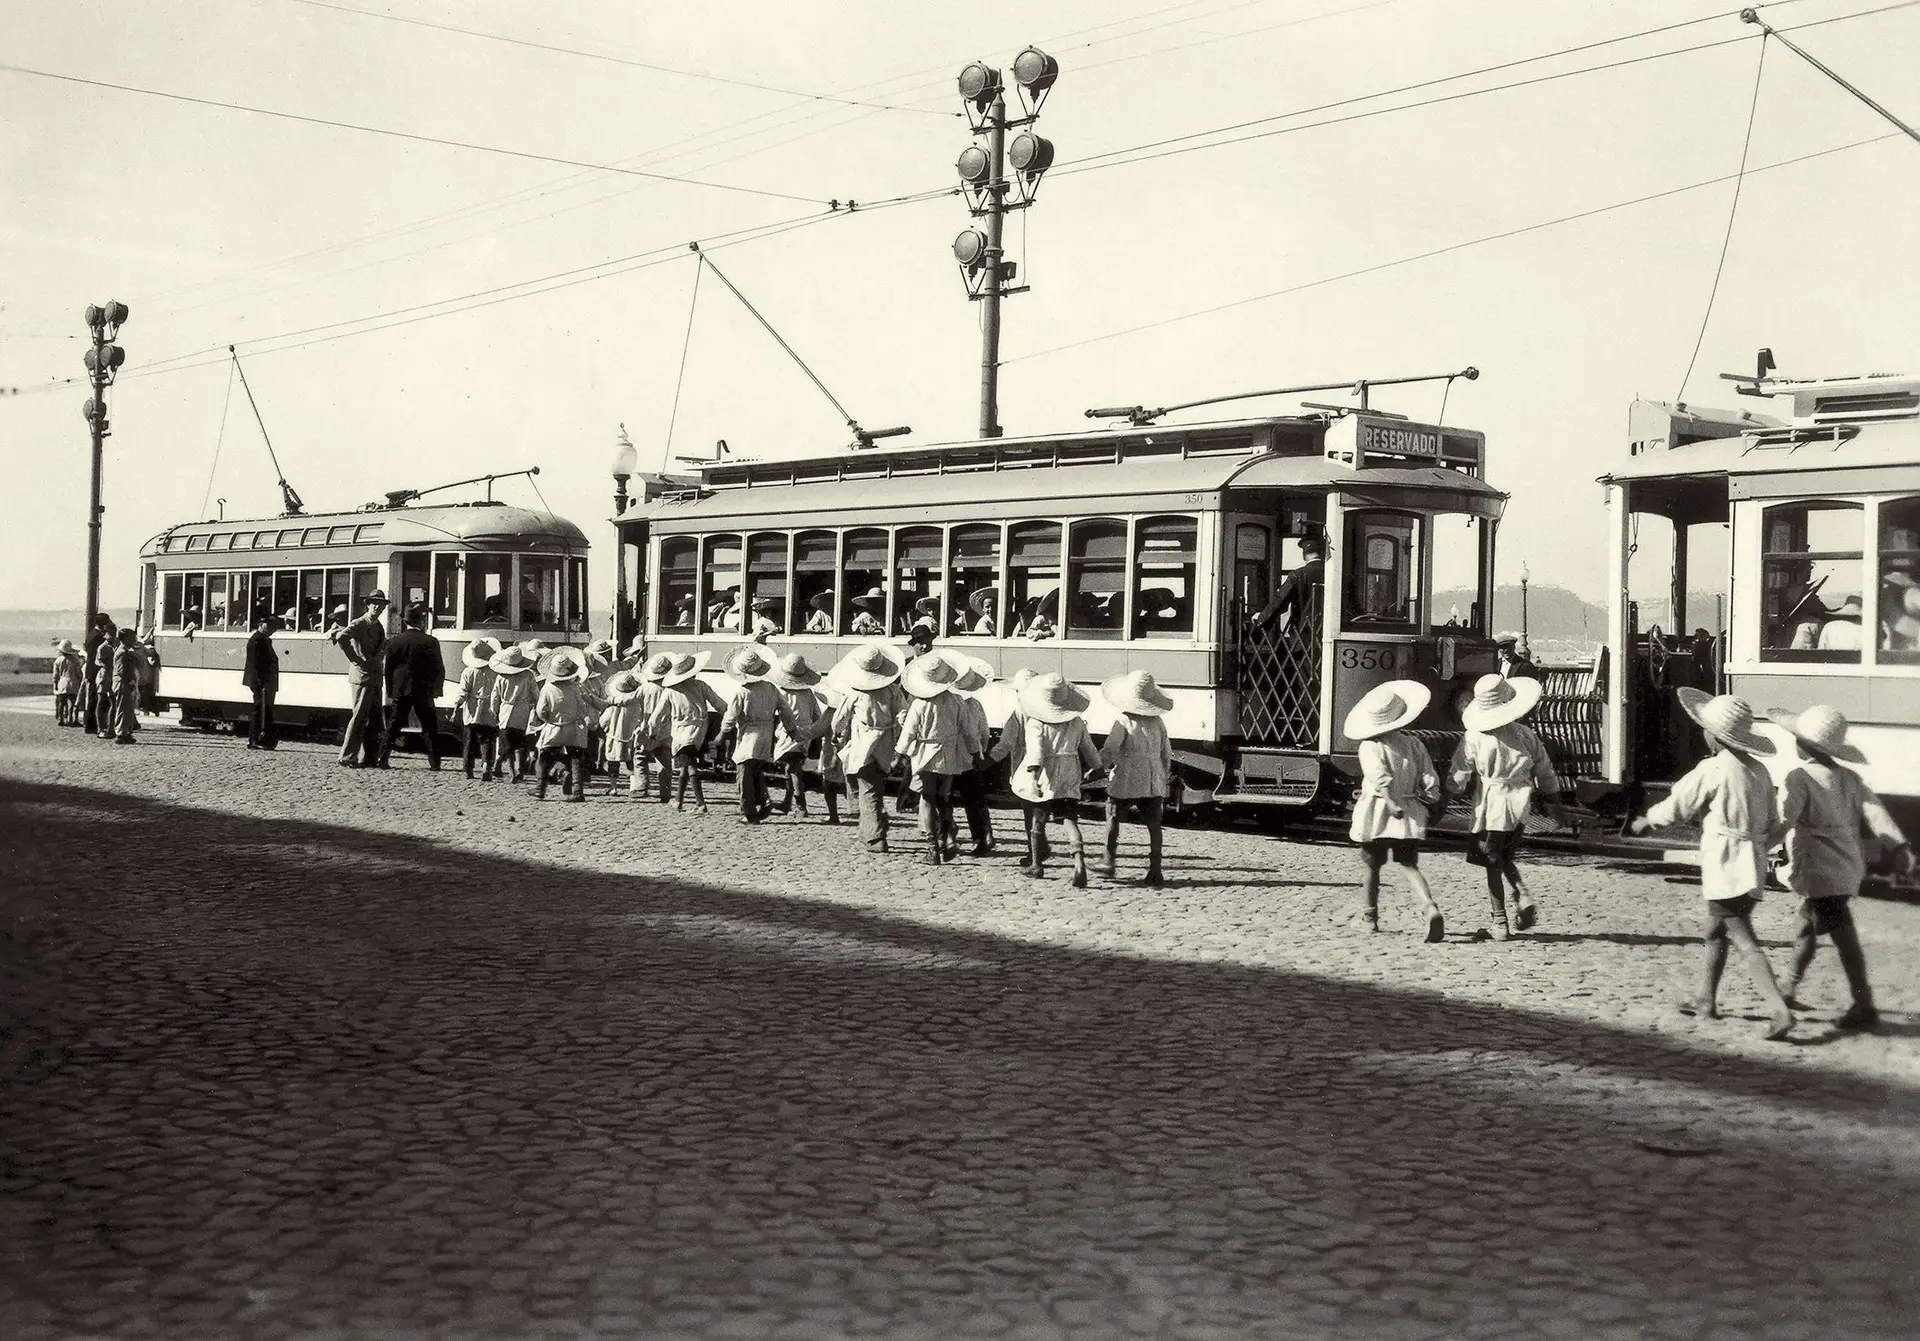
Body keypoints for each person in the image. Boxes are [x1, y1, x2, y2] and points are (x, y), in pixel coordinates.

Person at [1630, 690, 1795, 1041]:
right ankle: (1706, 997)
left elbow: (1680, 803)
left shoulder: (1714, 767)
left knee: (1743, 938)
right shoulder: (1759, 771)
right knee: (1714, 930)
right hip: (1751, 861)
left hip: (1726, 863)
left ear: (1714, 735)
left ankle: (1779, 1008)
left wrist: (1648, 819)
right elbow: (1770, 820)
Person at [1768, 705, 1914, 1032]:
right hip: (1844, 867)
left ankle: (1862, 1004)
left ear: (1805, 746)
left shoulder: (1800, 777)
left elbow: (1784, 819)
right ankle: (1791, 990)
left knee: (1836, 935)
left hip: (1817, 867)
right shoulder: (1850, 778)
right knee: (1808, 926)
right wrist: (1899, 845)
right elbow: (1876, 814)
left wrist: (1760, 844)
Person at [1448, 672, 1568, 940]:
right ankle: (1519, 894)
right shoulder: (1525, 734)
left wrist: (1451, 790)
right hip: (1520, 803)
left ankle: (1500, 921)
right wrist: (1554, 805)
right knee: (1504, 855)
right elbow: (1545, 772)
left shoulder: (1474, 738)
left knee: (1490, 859)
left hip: (1491, 804)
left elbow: (1459, 774)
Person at [1343, 679, 1445, 939]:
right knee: (1409, 865)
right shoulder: (1414, 744)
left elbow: (1379, 777)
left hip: (1377, 811)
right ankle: (1430, 907)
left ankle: (1369, 919)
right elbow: (1429, 777)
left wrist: (1390, 802)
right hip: (1408, 811)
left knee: (1371, 866)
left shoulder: (1370, 746)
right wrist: (1430, 798)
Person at [1012, 673, 1102, 886]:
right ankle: (1079, 863)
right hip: (1069, 771)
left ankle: (1036, 865)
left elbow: (1035, 753)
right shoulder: (1076, 721)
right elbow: (1088, 748)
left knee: (1037, 822)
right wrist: (1097, 768)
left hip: (1046, 774)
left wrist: (1032, 777)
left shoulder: (1036, 722)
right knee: (1069, 819)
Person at [1099, 670, 1176, 887]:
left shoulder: (1123, 719)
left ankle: (1108, 861)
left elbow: (1111, 749)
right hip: (1152, 778)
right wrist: (1163, 775)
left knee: (1113, 817)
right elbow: (1166, 751)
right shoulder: (1158, 722)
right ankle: (1155, 869)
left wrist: (1098, 766)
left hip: (1126, 776)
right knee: (1154, 825)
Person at [830, 642, 907, 852]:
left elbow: (839, 720)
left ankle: (875, 837)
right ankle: (867, 831)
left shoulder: (856, 693)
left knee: (868, 790)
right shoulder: (893, 691)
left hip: (863, 746)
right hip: (886, 746)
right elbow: (903, 716)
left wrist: (837, 734)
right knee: (874, 788)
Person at [897, 651, 969, 865]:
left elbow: (908, 733)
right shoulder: (956, 701)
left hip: (925, 758)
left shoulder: (920, 704)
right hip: (949, 756)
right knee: (944, 799)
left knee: (927, 800)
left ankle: (932, 849)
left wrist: (899, 755)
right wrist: (975, 752)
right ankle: (948, 838)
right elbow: (968, 731)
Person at [719, 645, 799, 824]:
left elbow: (730, 717)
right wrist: (791, 728)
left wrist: (721, 735)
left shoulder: (742, 692)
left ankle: (749, 812)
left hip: (748, 735)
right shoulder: (771, 688)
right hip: (766, 733)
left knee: (744, 775)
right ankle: (764, 801)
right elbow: (785, 710)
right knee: (757, 771)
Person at [380, 605, 446, 770]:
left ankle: (383, 757)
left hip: (401, 689)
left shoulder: (395, 641)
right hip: (423, 690)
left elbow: (388, 669)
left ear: (405, 622)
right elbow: (439, 668)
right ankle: (434, 762)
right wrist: (437, 689)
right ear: (422, 621)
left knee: (394, 723)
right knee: (429, 725)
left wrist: (391, 690)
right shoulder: (430, 641)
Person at [648, 651, 715, 811]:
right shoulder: (701, 686)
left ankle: (700, 803)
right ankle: (678, 800)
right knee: (685, 766)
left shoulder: (670, 691)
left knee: (690, 766)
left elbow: (655, 718)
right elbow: (720, 704)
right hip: (700, 732)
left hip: (682, 734)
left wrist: (653, 733)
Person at [769, 653, 832, 821]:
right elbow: (816, 714)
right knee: (791, 768)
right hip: (806, 734)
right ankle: (787, 802)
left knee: (794, 769)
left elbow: (776, 713)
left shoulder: (781, 692)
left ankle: (801, 806)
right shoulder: (808, 693)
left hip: (788, 733)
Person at [331, 590, 389, 767]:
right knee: (359, 717)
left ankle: (369, 757)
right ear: (368, 604)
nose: (378, 607)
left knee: (374, 719)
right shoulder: (360, 623)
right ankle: (347, 756)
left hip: (375, 677)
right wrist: (355, 659)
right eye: (375, 603)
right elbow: (341, 637)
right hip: (362, 677)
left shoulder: (377, 626)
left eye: (381, 604)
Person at [530, 648, 595, 801]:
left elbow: (541, 711)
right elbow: (584, 707)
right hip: (574, 728)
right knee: (576, 759)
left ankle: (540, 788)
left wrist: (548, 720)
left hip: (554, 728)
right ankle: (578, 792)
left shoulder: (547, 688)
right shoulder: (577, 687)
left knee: (544, 757)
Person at [949, 654, 997, 855]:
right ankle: (984, 836)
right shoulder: (976, 705)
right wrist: (981, 752)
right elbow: (985, 734)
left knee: (946, 799)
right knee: (975, 801)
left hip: (951, 758)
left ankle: (948, 837)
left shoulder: (949, 704)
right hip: (972, 757)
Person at [602, 660, 664, 799]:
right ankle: (633, 787)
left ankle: (613, 788)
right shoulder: (637, 701)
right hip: (632, 737)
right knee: (632, 763)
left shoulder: (615, 702)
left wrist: (607, 729)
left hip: (614, 736)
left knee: (613, 763)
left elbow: (604, 721)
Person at [1251, 532, 1328, 634]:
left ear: (1304, 555)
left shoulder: (1298, 575)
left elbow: (1281, 601)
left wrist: (1261, 618)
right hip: (1326, 632)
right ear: (1321, 552)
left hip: (1303, 634)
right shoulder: (1333, 574)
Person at [487, 643, 539, 781]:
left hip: (505, 712)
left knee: (507, 745)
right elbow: (535, 693)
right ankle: (519, 769)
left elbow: (495, 696)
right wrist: (536, 707)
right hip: (522, 714)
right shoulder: (528, 675)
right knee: (520, 744)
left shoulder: (501, 677)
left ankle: (511, 772)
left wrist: (494, 711)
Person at [456, 636, 503, 780]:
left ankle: (468, 768)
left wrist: (458, 703)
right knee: (487, 739)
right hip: (489, 709)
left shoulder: (468, 671)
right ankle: (486, 766)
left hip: (472, 709)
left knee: (469, 740)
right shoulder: (495, 671)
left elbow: (463, 691)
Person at [241, 613, 280, 750]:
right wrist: (260, 683)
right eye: (270, 626)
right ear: (262, 625)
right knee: (259, 710)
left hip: (265, 682)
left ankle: (261, 739)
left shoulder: (262, 639)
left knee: (263, 710)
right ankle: (255, 739)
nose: (272, 630)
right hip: (261, 682)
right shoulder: (257, 640)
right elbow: (255, 664)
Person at [109, 628, 149, 745]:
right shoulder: (122, 652)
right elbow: (122, 671)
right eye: (132, 637)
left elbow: (140, 663)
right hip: (123, 683)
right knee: (123, 708)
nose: (134, 639)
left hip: (125, 683)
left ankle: (126, 732)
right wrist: (129, 682)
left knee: (128, 709)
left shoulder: (126, 651)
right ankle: (121, 733)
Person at [82, 613, 114, 736]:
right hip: (95, 670)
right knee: (94, 699)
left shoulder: (92, 634)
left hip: (91, 669)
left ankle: (90, 724)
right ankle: (92, 725)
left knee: (92, 698)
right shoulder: (97, 637)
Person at [51, 638, 85, 726]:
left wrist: (55, 684)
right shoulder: (74, 660)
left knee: (62, 702)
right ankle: (72, 719)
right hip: (73, 681)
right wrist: (80, 679)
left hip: (62, 682)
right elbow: (78, 672)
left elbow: (56, 674)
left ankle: (61, 719)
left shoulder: (58, 660)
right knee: (73, 702)